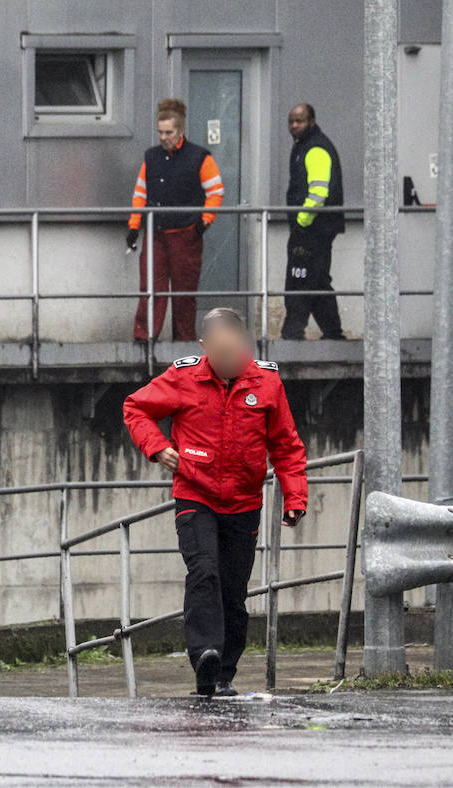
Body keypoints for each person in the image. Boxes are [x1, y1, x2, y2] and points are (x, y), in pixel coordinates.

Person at [122, 307, 308, 697]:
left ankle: (224, 672)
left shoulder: (268, 382)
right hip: (196, 494)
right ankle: (204, 656)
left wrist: (295, 495)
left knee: (233, 590)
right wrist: (157, 448)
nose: (228, 363)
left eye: (234, 353)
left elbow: (287, 446)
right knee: (204, 572)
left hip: (244, 502)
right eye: (220, 355)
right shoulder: (183, 376)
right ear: (205, 347)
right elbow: (135, 408)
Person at [125, 98, 225, 342]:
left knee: (183, 294)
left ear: (180, 131)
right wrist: (134, 226)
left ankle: (183, 343)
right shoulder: (151, 157)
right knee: (150, 290)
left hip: (185, 233)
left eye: (168, 132)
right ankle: (144, 339)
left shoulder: (200, 157)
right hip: (157, 234)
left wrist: (204, 221)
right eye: (160, 132)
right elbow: (140, 194)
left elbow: (216, 191)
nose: (163, 137)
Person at [280, 103, 346, 340]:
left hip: (313, 227)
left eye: (299, 121)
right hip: (317, 226)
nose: (294, 126)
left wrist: (302, 221)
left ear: (312, 121)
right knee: (317, 279)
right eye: (291, 121)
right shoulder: (305, 146)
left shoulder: (315, 148)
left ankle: (292, 332)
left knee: (300, 278)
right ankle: (333, 334)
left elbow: (318, 192)